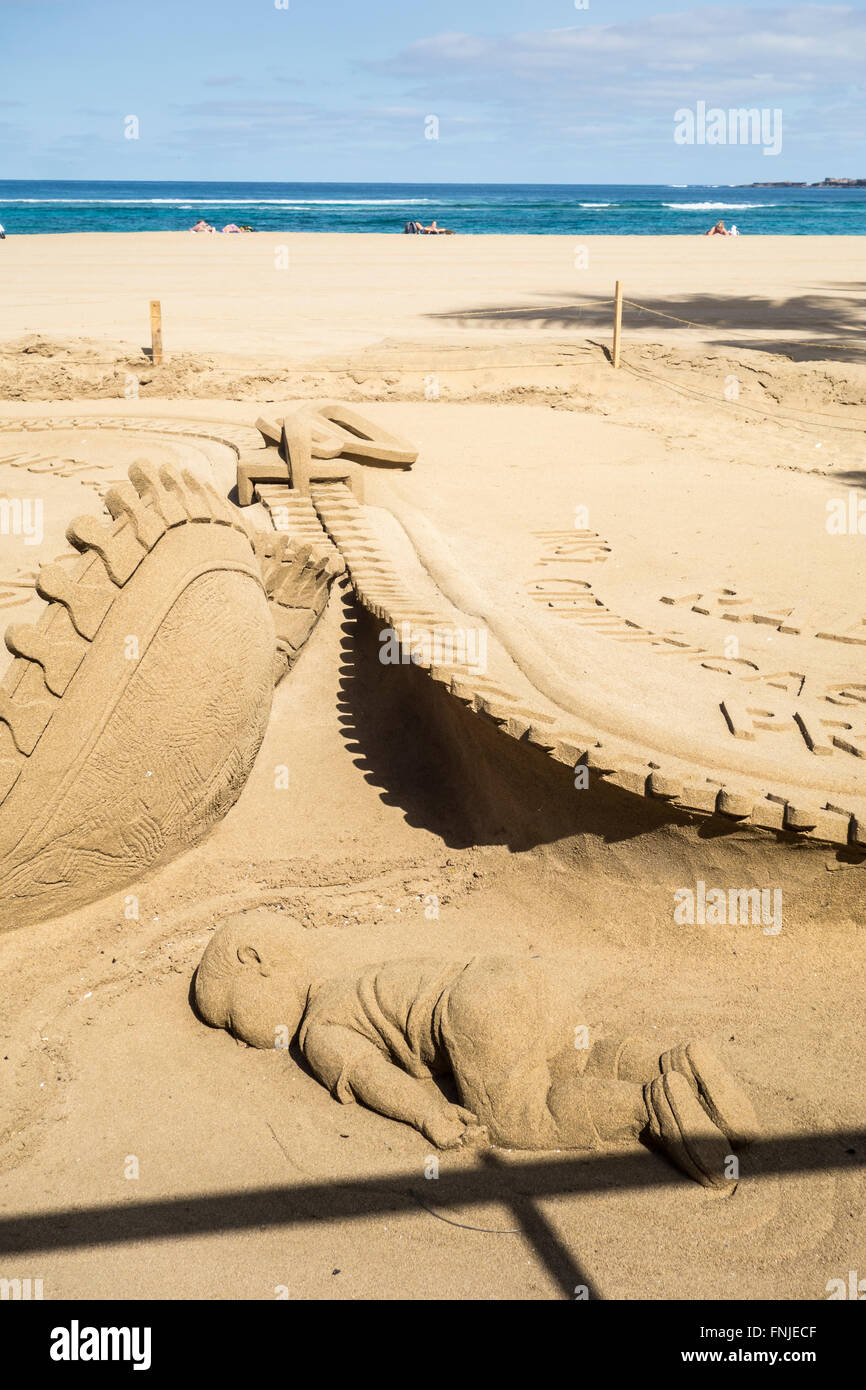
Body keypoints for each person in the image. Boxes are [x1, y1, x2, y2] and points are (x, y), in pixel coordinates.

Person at [194, 915, 758, 1191]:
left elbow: (367, 1075)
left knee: (522, 1117)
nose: (239, 1035)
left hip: (474, 1011)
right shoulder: (359, 977)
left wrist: (428, 1113)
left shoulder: (318, 1028)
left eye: (231, 1013)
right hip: (516, 975)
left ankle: (650, 1107)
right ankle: (676, 1066)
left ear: (257, 960)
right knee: (578, 1060)